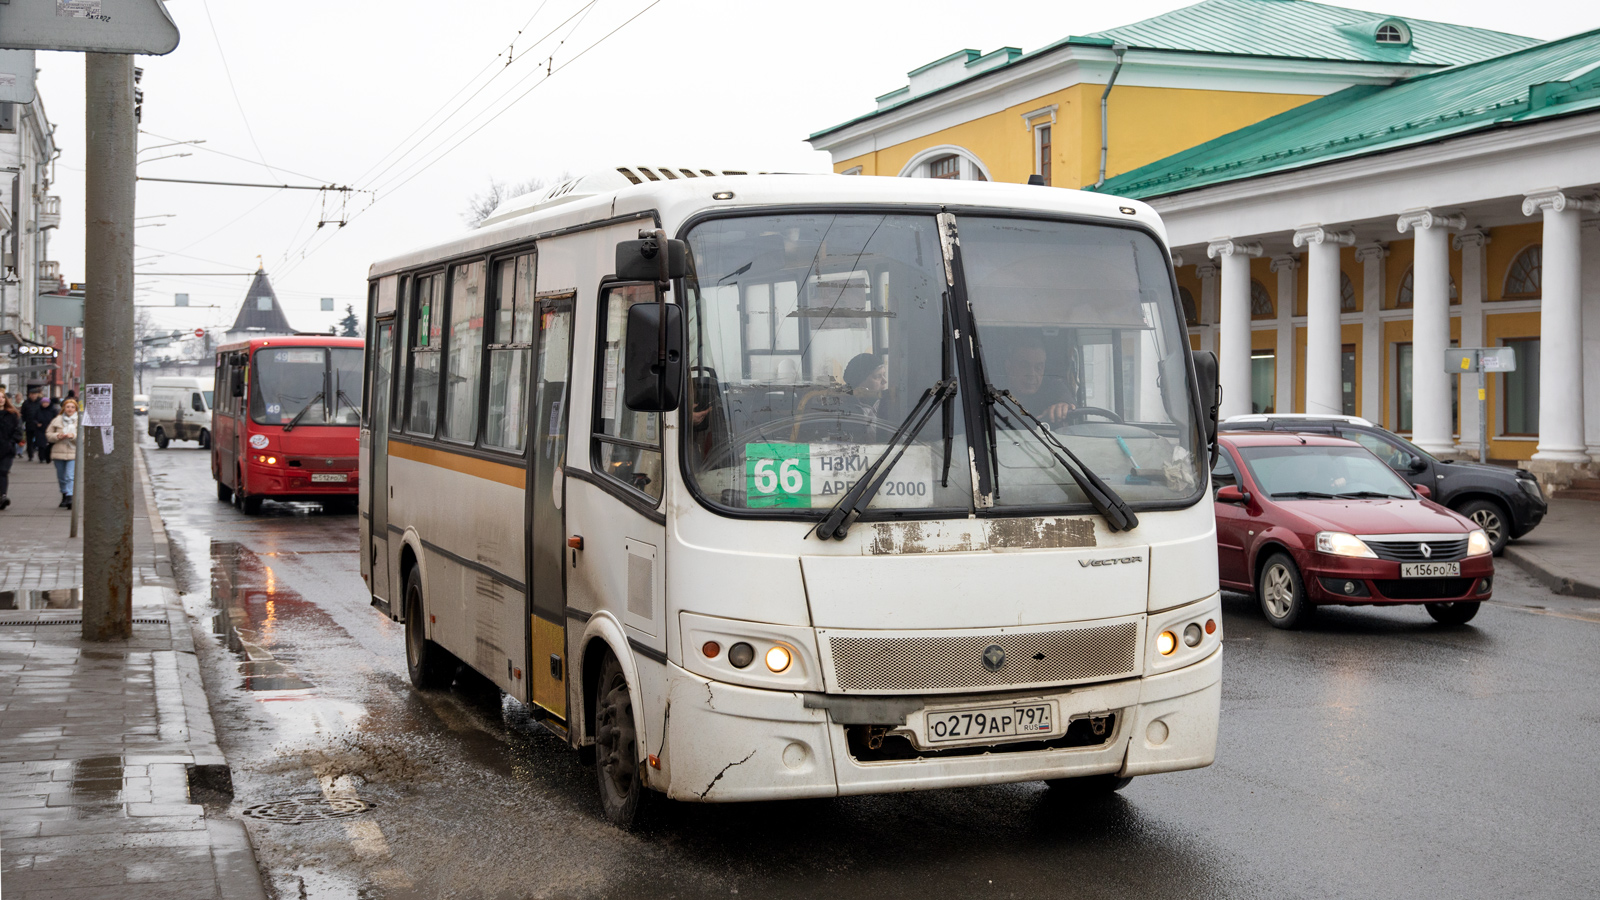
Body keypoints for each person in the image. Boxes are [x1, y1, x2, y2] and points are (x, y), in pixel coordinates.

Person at [998, 334, 1076, 424]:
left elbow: (1068, 401)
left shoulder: (1053, 389)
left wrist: (1064, 405)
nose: (1032, 374)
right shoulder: (995, 397)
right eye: (1024, 366)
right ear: (1008, 367)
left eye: (1038, 367)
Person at [46, 397, 79, 509]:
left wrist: (73, 436)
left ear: (76, 409)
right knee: (61, 476)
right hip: (58, 452)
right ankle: (64, 494)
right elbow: (48, 434)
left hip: (73, 452)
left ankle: (70, 496)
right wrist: (58, 436)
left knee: (70, 476)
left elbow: (83, 437)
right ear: (64, 408)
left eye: (72, 407)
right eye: (68, 407)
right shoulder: (57, 420)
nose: (70, 409)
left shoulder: (79, 420)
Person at [842, 353, 888, 420]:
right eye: (878, 376)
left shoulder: (883, 403)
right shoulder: (849, 413)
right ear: (859, 382)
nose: (885, 381)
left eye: (884, 375)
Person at [0, 393, 23, 510]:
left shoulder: (12, 414)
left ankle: (3, 496)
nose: (1, 399)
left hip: (7, 449)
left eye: (3, 397)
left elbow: (18, 431)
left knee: (3, 472)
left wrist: (12, 442)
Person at [20, 387, 41, 462]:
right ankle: (30, 455)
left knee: (39, 440)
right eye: (32, 394)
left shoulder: (40, 402)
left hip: (39, 425)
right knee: (29, 441)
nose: (33, 396)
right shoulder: (26, 403)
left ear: (37, 394)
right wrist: (22, 422)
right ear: (29, 395)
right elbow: (23, 413)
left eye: (35, 394)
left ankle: (40, 455)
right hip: (29, 424)